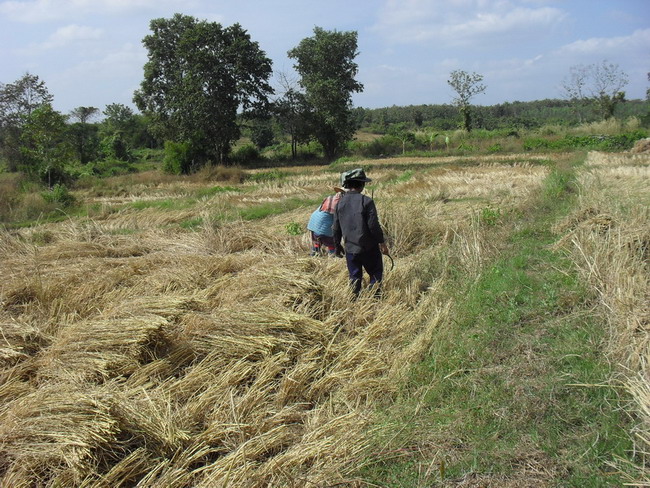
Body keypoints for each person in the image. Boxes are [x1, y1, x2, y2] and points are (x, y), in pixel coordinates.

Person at [332, 168, 389, 296]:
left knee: (354, 278)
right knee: (375, 274)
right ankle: (374, 300)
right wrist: (382, 242)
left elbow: (335, 227)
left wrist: (337, 245)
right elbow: (373, 226)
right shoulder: (367, 201)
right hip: (368, 248)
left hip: (350, 249)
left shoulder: (340, 204)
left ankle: (354, 301)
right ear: (361, 184)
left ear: (348, 185)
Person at [307, 187, 345, 256]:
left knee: (317, 240)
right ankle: (333, 254)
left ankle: (315, 252)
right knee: (332, 242)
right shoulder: (340, 202)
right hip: (324, 227)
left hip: (313, 224)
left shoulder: (330, 198)